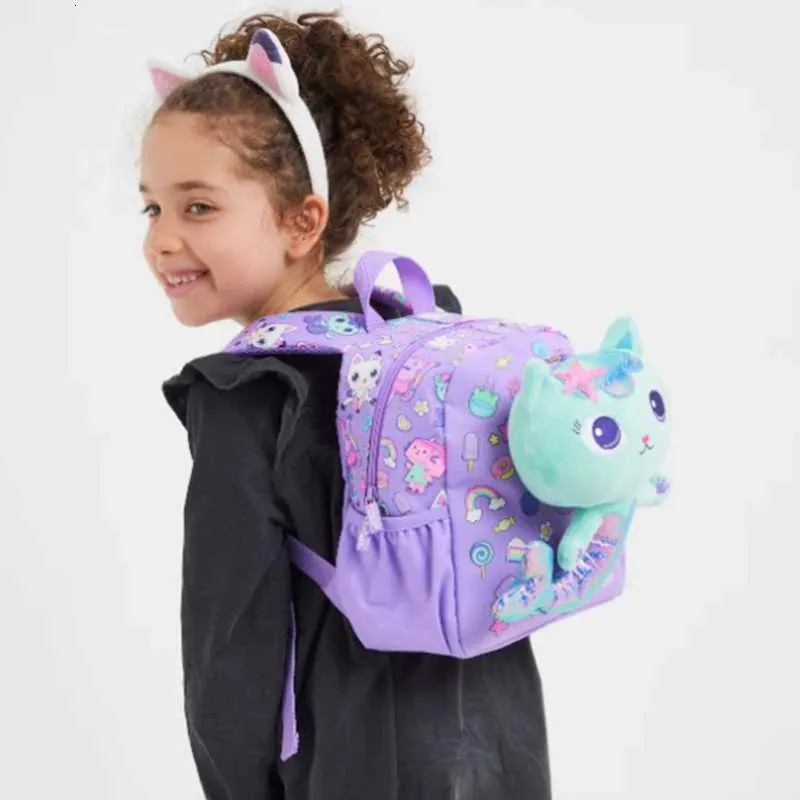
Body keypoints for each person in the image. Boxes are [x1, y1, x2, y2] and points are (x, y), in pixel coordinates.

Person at [140, 10, 551, 800]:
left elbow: (230, 656)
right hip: (499, 740)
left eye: (198, 207)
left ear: (302, 221)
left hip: (350, 762)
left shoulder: (249, 396)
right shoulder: (425, 343)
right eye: (151, 207)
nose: (161, 239)